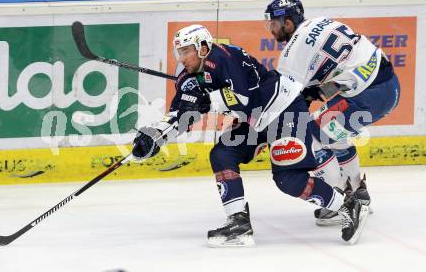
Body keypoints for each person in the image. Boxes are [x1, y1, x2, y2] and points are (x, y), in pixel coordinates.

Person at [132, 24, 369, 247]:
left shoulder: (223, 58)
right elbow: (181, 113)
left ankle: (348, 207)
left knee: (288, 179)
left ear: (203, 48)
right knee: (222, 154)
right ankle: (238, 223)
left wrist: (210, 98)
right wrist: (155, 136)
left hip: (283, 108)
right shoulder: (189, 78)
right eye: (178, 52)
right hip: (257, 119)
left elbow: (247, 102)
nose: (182, 58)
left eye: (186, 51)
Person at [264, 0, 400, 225]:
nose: (271, 31)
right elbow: (341, 70)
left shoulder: (290, 55)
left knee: (313, 135)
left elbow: (287, 99)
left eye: (274, 25)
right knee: (335, 134)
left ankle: (341, 200)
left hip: (366, 96)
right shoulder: (322, 22)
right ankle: (359, 192)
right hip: (389, 86)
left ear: (287, 22)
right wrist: (315, 91)